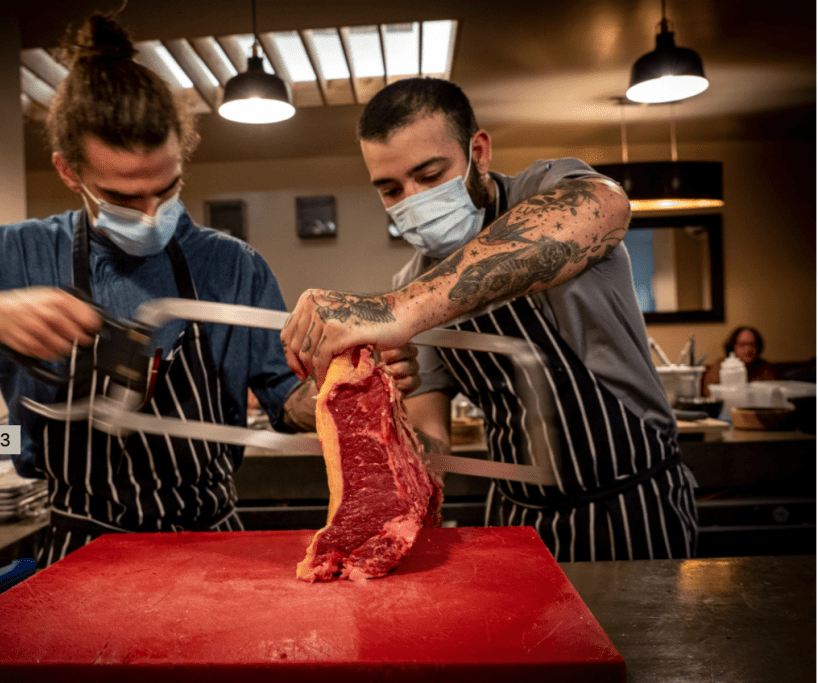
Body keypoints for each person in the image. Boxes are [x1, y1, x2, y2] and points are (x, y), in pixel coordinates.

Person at [0, 13, 417, 567]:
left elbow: (286, 400)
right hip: (80, 549)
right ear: (69, 172)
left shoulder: (231, 266)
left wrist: (338, 391)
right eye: (124, 198)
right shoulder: (18, 256)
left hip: (213, 544)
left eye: (166, 188)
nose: (151, 212)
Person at [281, 77, 698, 562]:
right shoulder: (412, 279)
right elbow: (433, 436)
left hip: (634, 503)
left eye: (431, 175)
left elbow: (604, 205)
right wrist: (376, 406)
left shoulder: (541, 192)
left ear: (478, 152)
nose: (412, 200)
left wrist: (397, 310)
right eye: (391, 189)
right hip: (516, 515)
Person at [701, 326, 778, 395]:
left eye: (752, 344)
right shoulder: (721, 366)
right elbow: (710, 394)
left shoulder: (764, 368)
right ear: (733, 347)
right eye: (742, 345)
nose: (748, 349)